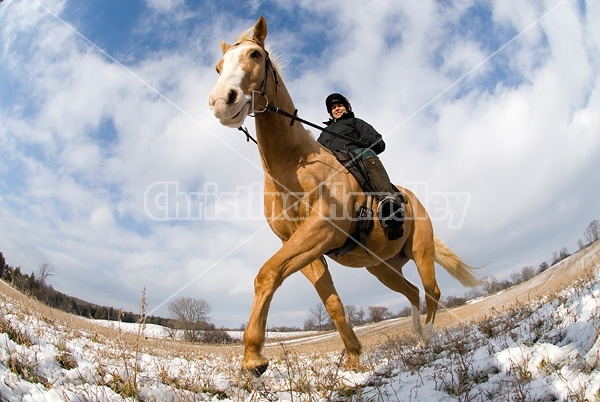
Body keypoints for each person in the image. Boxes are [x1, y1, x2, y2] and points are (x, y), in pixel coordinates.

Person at [317, 93, 405, 240]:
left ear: (346, 107)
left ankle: (387, 202)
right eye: (333, 108)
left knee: (366, 152)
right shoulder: (324, 134)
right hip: (332, 164)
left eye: (339, 106)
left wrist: (361, 143)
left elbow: (378, 141)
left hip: (355, 157)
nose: (336, 109)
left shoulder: (355, 122)